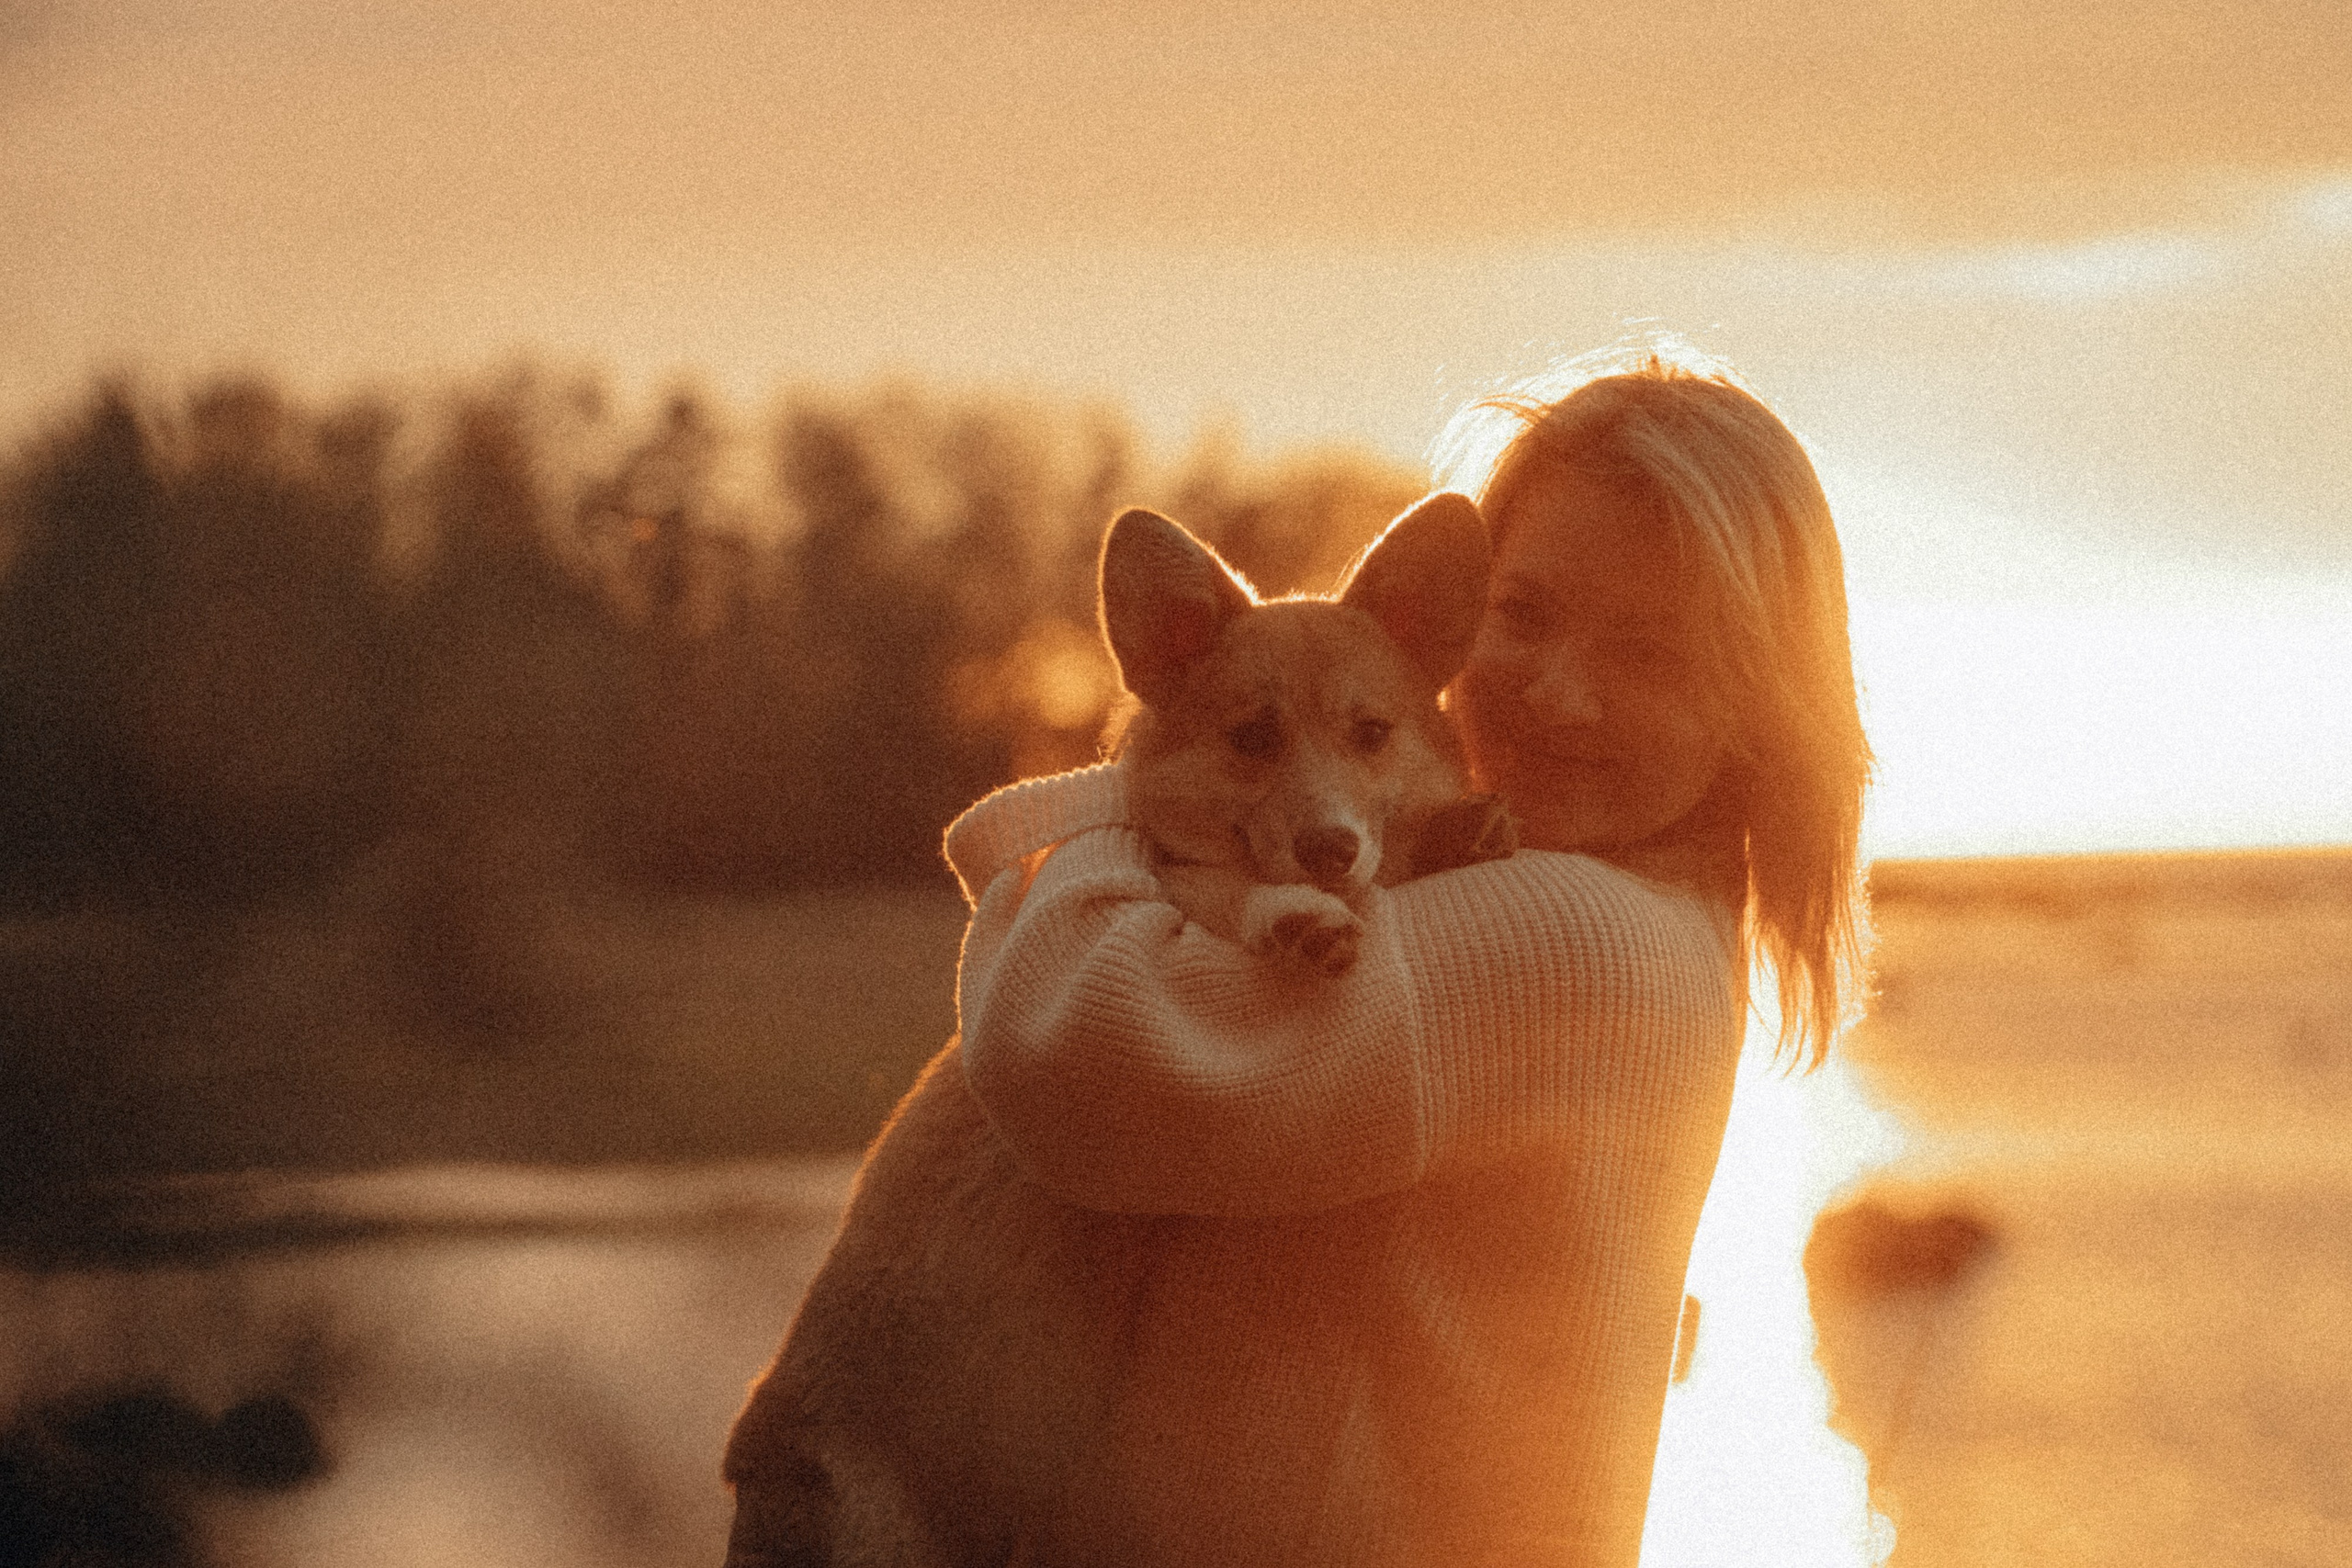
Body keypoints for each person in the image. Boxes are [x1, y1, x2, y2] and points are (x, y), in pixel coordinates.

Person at [944, 345, 1872, 1565]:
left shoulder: (1582, 945)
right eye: (1522, 615)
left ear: (1760, 705)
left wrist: (1111, 813)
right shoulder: (1621, 911)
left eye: (1649, 653)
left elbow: (1080, 1057)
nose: (1557, 693)